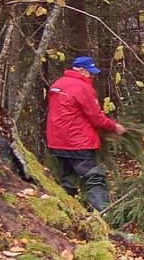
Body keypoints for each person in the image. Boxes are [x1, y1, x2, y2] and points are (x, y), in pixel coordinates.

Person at [46, 56, 127, 211]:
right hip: (77, 142)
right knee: (94, 178)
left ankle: (64, 215)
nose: (93, 77)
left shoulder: (57, 84)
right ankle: (104, 215)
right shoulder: (82, 88)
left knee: (66, 181)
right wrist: (114, 126)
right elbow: (96, 117)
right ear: (82, 70)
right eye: (91, 73)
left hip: (56, 141)